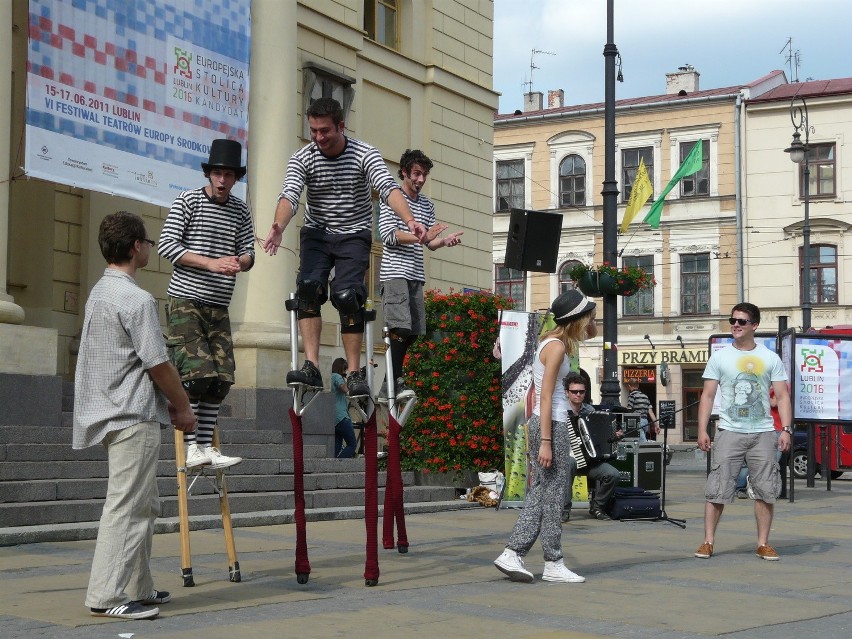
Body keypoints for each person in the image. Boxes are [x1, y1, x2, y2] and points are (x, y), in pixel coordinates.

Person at [73, 211, 196, 620]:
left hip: (111, 409)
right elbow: (158, 364)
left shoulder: (100, 292)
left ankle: (138, 586)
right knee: (127, 506)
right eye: (146, 240)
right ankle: (108, 595)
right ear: (134, 247)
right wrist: (182, 406)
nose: (149, 246)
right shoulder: (136, 299)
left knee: (143, 504)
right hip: (132, 412)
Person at [262, 97, 427, 396]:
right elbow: (289, 194)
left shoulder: (365, 154)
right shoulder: (303, 157)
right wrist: (279, 226)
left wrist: (409, 219)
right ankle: (312, 365)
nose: (318, 138)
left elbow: (388, 189)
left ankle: (353, 372)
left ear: (341, 126)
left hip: (354, 233)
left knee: (348, 296)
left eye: (324, 131)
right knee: (309, 288)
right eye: (313, 131)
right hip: (317, 231)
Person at [158, 139, 255, 470]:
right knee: (197, 375)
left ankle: (205, 446)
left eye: (228, 175)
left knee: (222, 377)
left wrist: (240, 262)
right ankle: (191, 447)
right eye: (217, 173)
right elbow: (167, 245)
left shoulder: (240, 210)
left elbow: (248, 252)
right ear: (209, 174)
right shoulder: (188, 201)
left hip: (218, 305)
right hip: (186, 301)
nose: (222, 181)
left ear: (235, 178)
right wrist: (211, 263)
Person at [493, 289, 597, 584]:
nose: (592, 319)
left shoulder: (554, 342)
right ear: (576, 318)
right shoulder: (557, 348)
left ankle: (516, 552)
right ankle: (550, 560)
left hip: (546, 422)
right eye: (588, 314)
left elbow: (590, 333)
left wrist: (590, 313)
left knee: (543, 492)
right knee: (552, 496)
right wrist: (548, 442)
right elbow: (547, 395)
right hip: (551, 423)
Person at [694, 303, 792, 561]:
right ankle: (707, 541)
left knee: (765, 489)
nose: (735, 325)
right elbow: (707, 395)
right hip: (729, 431)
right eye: (733, 320)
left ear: (754, 325)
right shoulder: (720, 357)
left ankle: (763, 543)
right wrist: (702, 429)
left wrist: (786, 429)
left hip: (764, 433)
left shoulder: (770, 358)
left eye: (742, 321)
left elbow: (782, 396)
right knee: (717, 488)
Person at [378, 149, 463, 400]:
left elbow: (428, 243)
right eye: (416, 173)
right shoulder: (391, 197)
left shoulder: (426, 204)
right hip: (395, 273)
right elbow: (389, 235)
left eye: (424, 174)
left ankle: (389, 382)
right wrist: (421, 236)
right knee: (399, 327)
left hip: (415, 274)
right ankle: (395, 381)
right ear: (404, 172)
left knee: (413, 331)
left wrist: (444, 241)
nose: (421, 179)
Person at [562, 372, 621, 521]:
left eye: (581, 392)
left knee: (613, 474)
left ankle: (597, 507)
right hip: (567, 458)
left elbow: (602, 436)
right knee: (569, 463)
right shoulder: (559, 412)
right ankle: (563, 509)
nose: (578, 395)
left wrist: (615, 436)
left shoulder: (590, 411)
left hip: (590, 461)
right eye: (574, 392)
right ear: (567, 393)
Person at [331, 358, 357, 458]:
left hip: (334, 418)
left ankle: (332, 465)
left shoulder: (331, 377)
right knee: (352, 444)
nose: (345, 371)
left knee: (337, 447)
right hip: (342, 417)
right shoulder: (337, 376)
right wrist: (351, 379)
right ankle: (338, 464)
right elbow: (345, 388)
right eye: (345, 369)